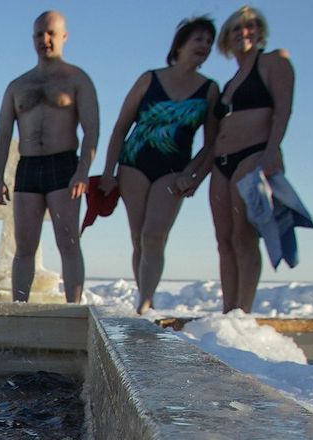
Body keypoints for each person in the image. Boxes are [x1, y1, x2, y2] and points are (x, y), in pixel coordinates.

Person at [100, 17, 219, 314]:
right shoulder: (149, 79)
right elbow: (120, 127)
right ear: (180, 44)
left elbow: (213, 142)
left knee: (155, 235)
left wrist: (192, 175)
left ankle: (146, 304)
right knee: (138, 237)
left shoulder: (209, 90)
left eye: (208, 41)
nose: (204, 46)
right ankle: (142, 293)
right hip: (134, 164)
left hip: (173, 170)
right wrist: (108, 172)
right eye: (198, 39)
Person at [0, 10, 98, 303]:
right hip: (28, 167)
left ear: (64, 36)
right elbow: (2, 134)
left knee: (68, 241)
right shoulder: (18, 85)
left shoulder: (77, 79)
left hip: (64, 164)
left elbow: (91, 129)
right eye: (39, 34)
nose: (45, 39)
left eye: (51, 33)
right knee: (24, 247)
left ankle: (73, 308)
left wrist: (83, 171)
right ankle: (19, 309)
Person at [209, 6, 294, 313]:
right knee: (224, 239)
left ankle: (243, 312)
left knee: (244, 235)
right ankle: (227, 309)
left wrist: (272, 151)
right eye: (237, 28)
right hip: (221, 161)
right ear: (226, 38)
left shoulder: (273, 61)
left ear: (260, 32)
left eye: (252, 26)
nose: (245, 32)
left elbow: (283, 108)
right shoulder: (229, 83)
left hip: (254, 153)